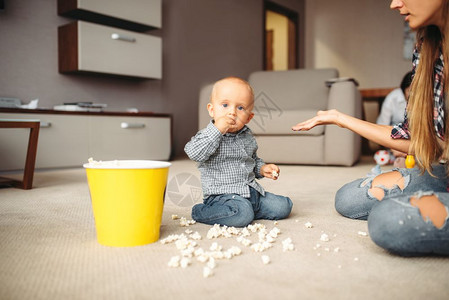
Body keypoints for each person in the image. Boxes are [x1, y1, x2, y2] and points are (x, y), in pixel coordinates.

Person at [292, 0, 449, 256]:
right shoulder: (428, 46)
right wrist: (339, 118)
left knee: (387, 220)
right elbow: (418, 138)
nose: (394, 4)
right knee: (349, 198)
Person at [185, 77, 293, 227]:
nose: (232, 112)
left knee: (284, 206)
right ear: (211, 110)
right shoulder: (208, 135)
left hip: (252, 192)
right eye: (225, 105)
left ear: (249, 118)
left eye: (240, 108)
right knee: (242, 215)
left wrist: (262, 169)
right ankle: (201, 212)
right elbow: (194, 152)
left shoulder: (247, 137)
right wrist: (217, 130)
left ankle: (246, 208)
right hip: (222, 196)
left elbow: (251, 162)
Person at [375, 71, 413, 167]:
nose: (413, 95)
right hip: (393, 137)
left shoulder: (425, 100)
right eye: (410, 91)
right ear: (403, 89)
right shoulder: (392, 98)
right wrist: (394, 147)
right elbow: (382, 127)